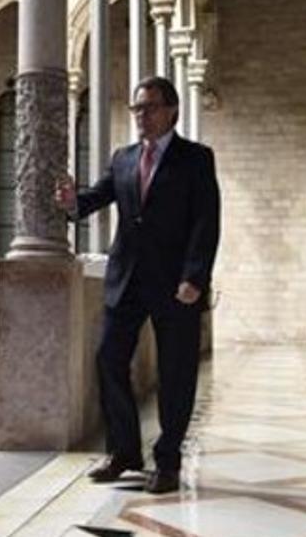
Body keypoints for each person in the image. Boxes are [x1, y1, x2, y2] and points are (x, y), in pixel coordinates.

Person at [55, 76, 220, 494]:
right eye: (136, 109)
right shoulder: (124, 158)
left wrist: (195, 277)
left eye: (148, 108)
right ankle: (124, 451)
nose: (141, 116)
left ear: (172, 111)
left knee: (176, 374)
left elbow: (206, 221)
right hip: (125, 279)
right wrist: (73, 202)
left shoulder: (196, 159)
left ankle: (167, 462)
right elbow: (97, 197)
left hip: (175, 285)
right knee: (108, 357)